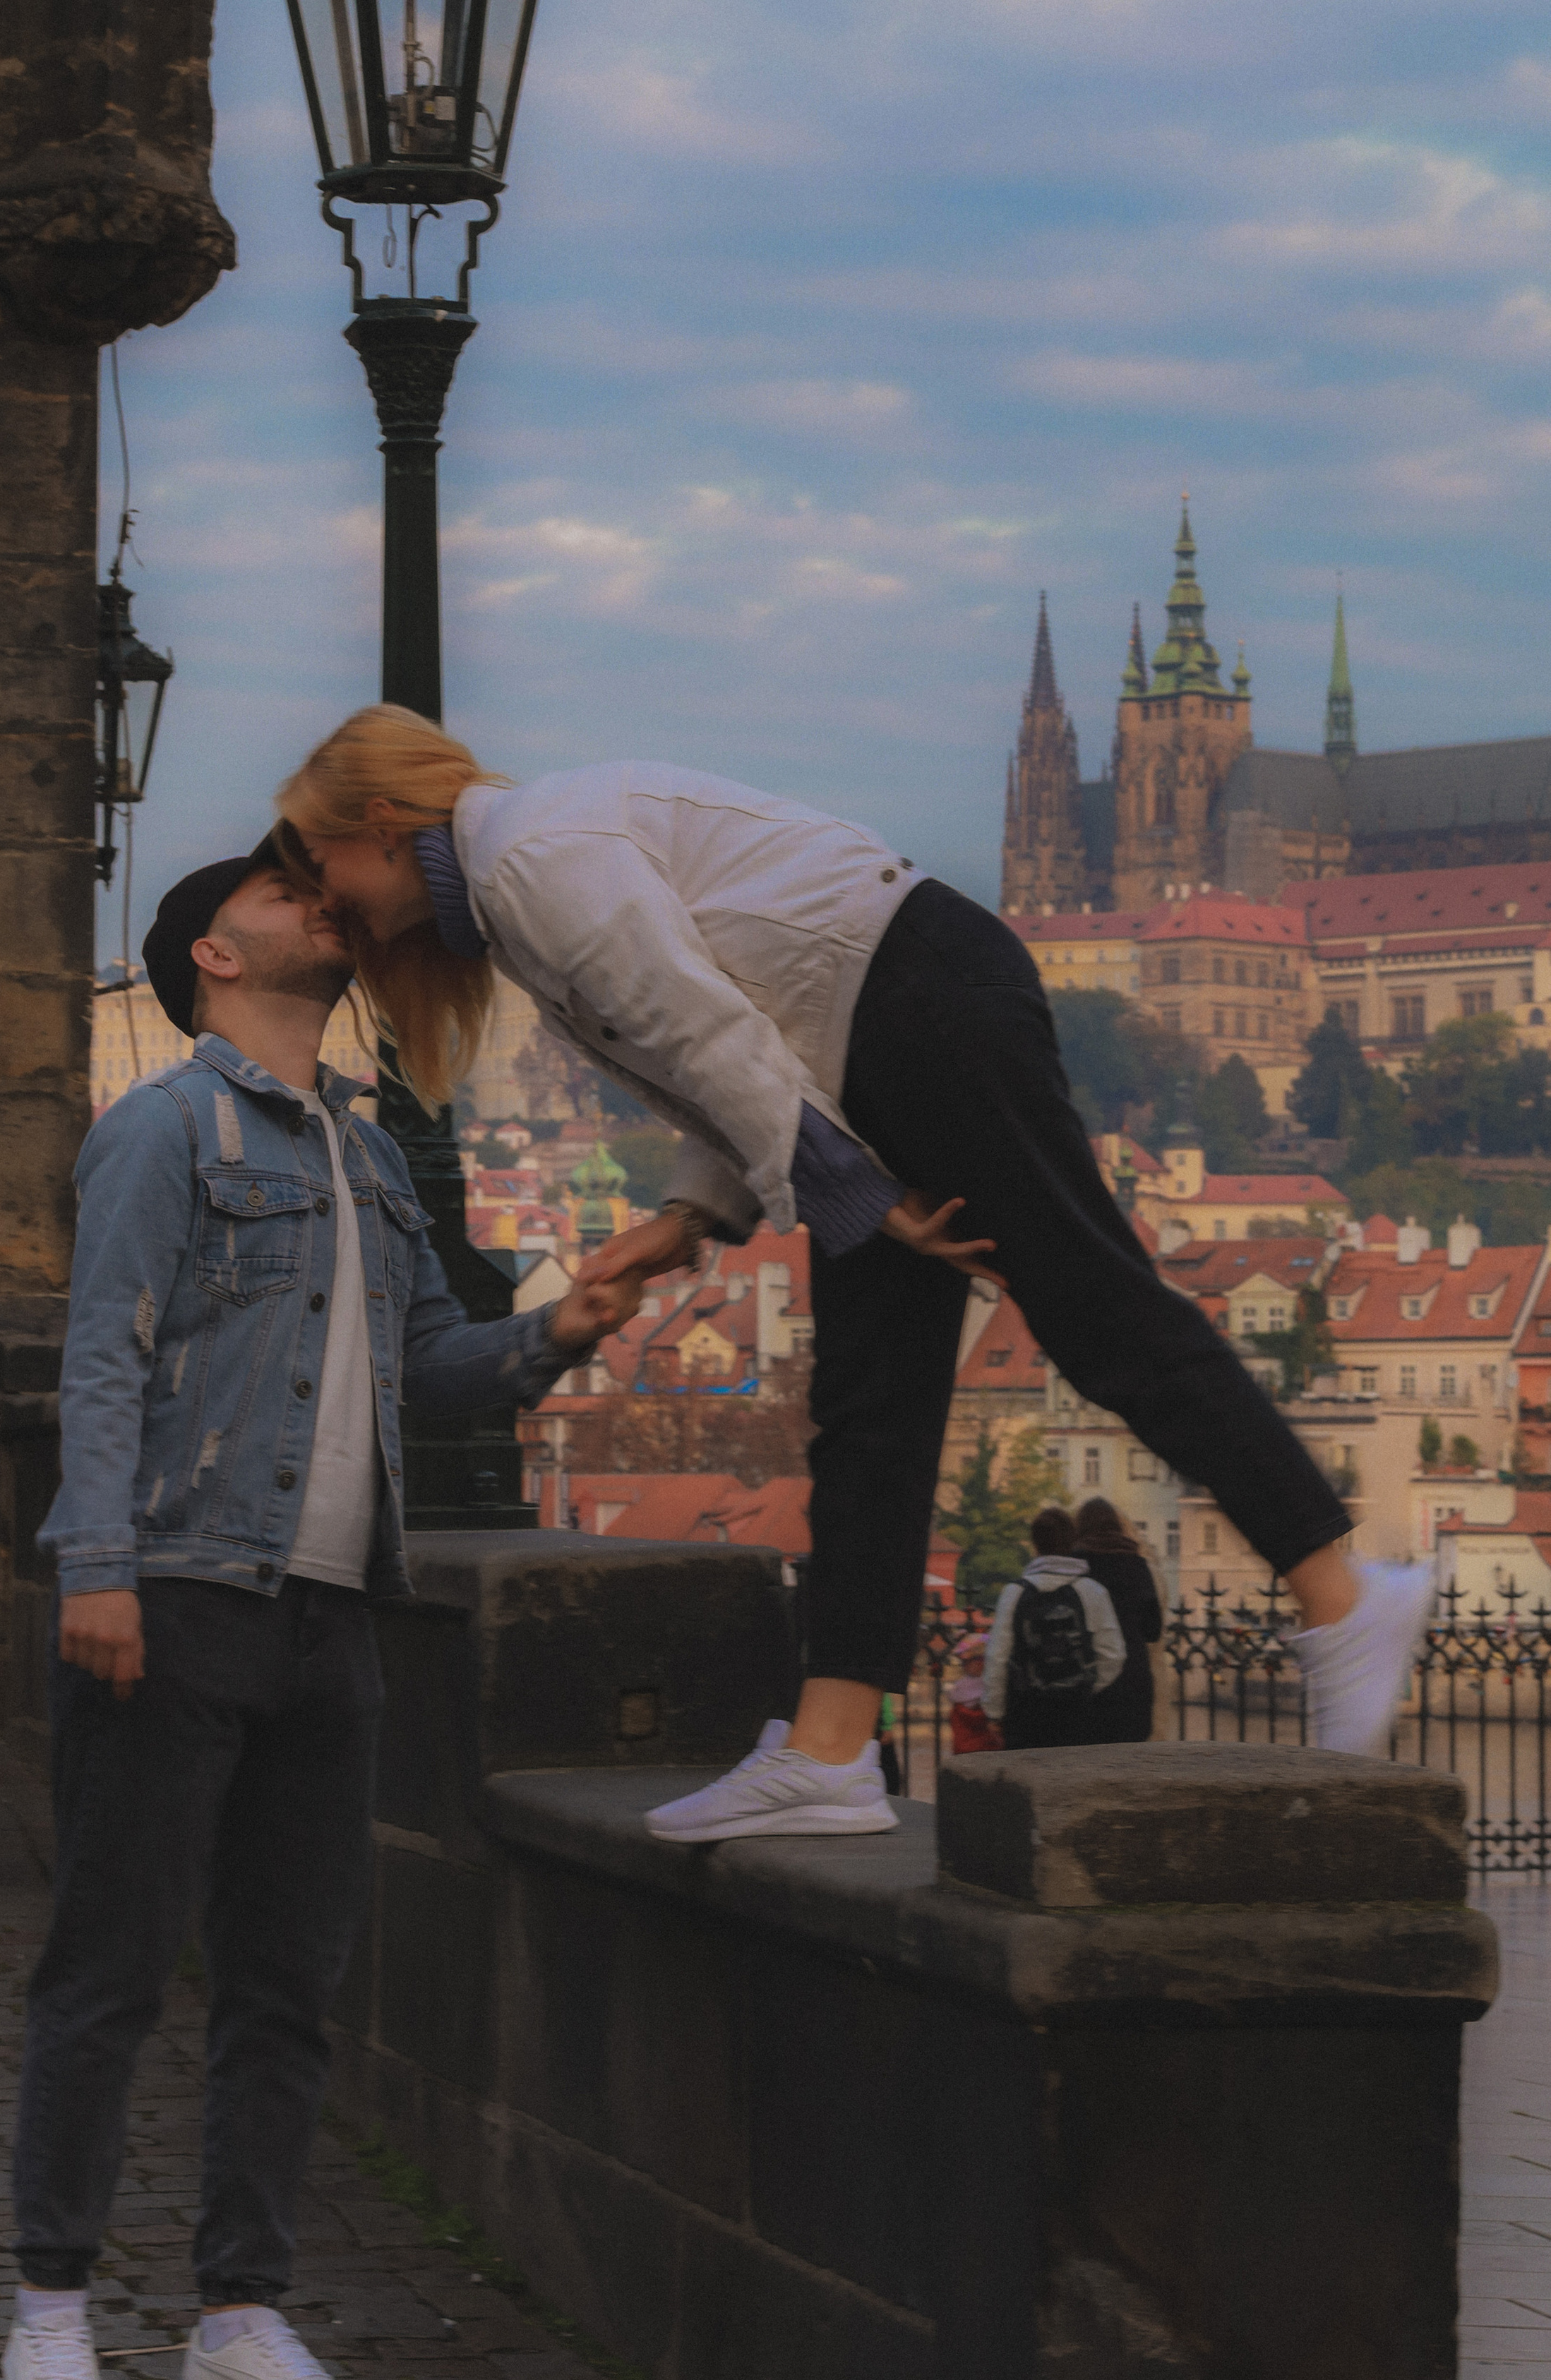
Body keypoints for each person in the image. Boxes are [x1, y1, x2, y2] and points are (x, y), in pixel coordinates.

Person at [272, 703, 1436, 1841]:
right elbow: (728, 1026)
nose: (325, 892)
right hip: (878, 1027)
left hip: (914, 1005)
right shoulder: (521, 871)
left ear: (382, 821)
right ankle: (830, 1749)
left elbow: (713, 1037)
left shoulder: (530, 859)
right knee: (872, 1407)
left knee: (1092, 1306)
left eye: (321, 858)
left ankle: (1340, 1593)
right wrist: (688, 1217)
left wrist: (859, 1199)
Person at [5, 843, 640, 2380]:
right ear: (212, 953)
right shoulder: (162, 1127)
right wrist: (97, 1564)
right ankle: (54, 2316)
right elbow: (102, 1348)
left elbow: (429, 1364)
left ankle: (235, 2323)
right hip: (177, 1585)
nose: (317, 901)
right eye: (282, 891)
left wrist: (561, 1327)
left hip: (327, 1613)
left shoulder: (362, 1160)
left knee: (285, 1989)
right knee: (111, 1973)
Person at [982, 1505, 1126, 1749]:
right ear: (1073, 1541)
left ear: (1035, 1543)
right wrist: (1086, 1687)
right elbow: (1114, 1654)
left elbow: (998, 1658)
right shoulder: (1092, 1591)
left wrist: (995, 1713)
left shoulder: (1014, 1593)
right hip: (1076, 1714)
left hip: (1025, 1713)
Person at [1072, 1496, 1163, 1743]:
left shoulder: (1075, 1565)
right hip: (1134, 1681)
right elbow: (1153, 1630)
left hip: (1087, 1682)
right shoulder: (1137, 1565)